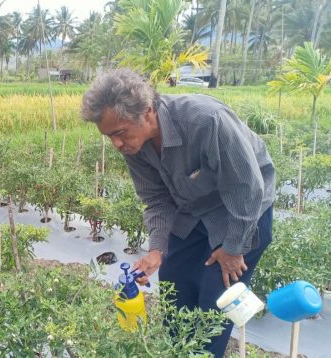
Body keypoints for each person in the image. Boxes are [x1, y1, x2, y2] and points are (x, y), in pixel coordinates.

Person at [81, 69, 274, 357]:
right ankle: (176, 351)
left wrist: (233, 248)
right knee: (174, 283)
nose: (116, 144)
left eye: (119, 133)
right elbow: (157, 199)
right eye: (109, 136)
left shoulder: (205, 120)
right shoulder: (134, 147)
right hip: (192, 209)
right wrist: (157, 250)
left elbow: (246, 188)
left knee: (216, 301)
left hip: (238, 212)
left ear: (146, 112)